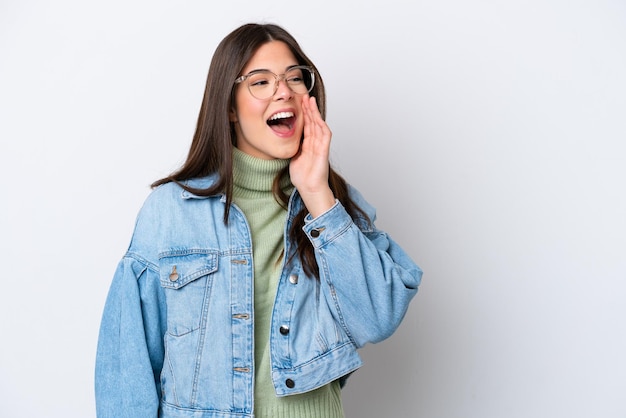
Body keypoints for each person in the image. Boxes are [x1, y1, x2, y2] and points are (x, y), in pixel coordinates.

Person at [95, 22, 422, 418]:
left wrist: (317, 194)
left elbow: (378, 318)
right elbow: (126, 366)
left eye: (294, 78)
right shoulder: (169, 212)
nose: (283, 90)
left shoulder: (335, 206)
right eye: (261, 81)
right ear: (230, 108)